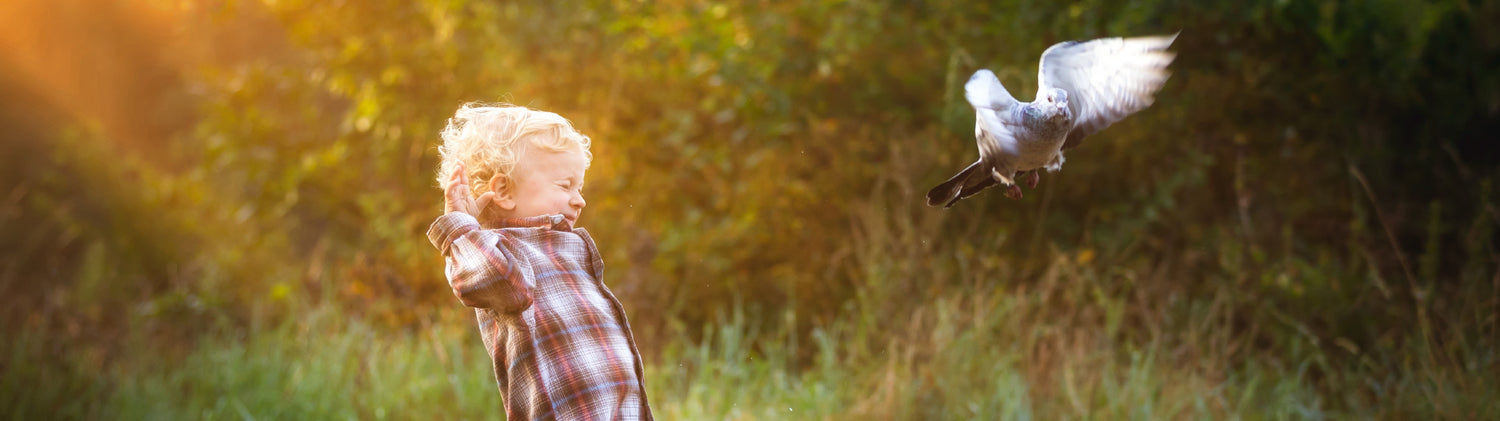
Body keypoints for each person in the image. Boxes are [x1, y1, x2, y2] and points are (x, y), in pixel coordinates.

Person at [426, 103, 652, 420]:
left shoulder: (565, 248)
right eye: (565, 185)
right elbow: (492, 278)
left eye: (580, 187)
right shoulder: (502, 252)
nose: (580, 199)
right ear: (503, 190)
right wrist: (462, 229)